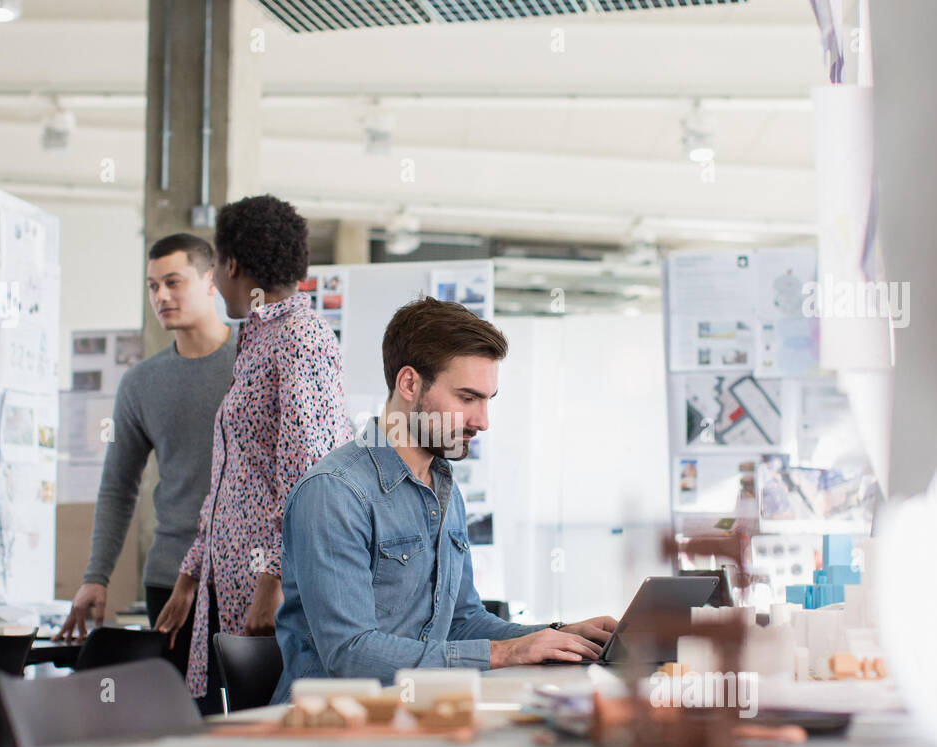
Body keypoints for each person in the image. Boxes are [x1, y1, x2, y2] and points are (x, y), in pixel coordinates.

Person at [271, 297, 619, 702]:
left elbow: (462, 623)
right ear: (409, 384)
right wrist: (504, 653)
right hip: (332, 728)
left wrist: (557, 636)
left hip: (421, 715)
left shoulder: (443, 489)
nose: (482, 422)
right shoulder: (334, 492)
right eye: (467, 398)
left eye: (488, 400)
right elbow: (351, 654)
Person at [154, 195, 352, 713]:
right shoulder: (258, 336)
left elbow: (309, 480)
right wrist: (192, 571)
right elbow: (234, 477)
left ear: (233, 265)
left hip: (272, 598)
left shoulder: (298, 341)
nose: (215, 280)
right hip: (234, 584)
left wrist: (272, 582)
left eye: (216, 265)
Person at [56, 234, 236, 680]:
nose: (161, 296)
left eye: (173, 282)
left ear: (210, 281)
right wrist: (95, 577)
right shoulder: (140, 384)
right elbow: (118, 487)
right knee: (183, 723)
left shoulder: (252, 362)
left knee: (249, 723)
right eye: (152, 286)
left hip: (246, 574)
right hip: (170, 579)